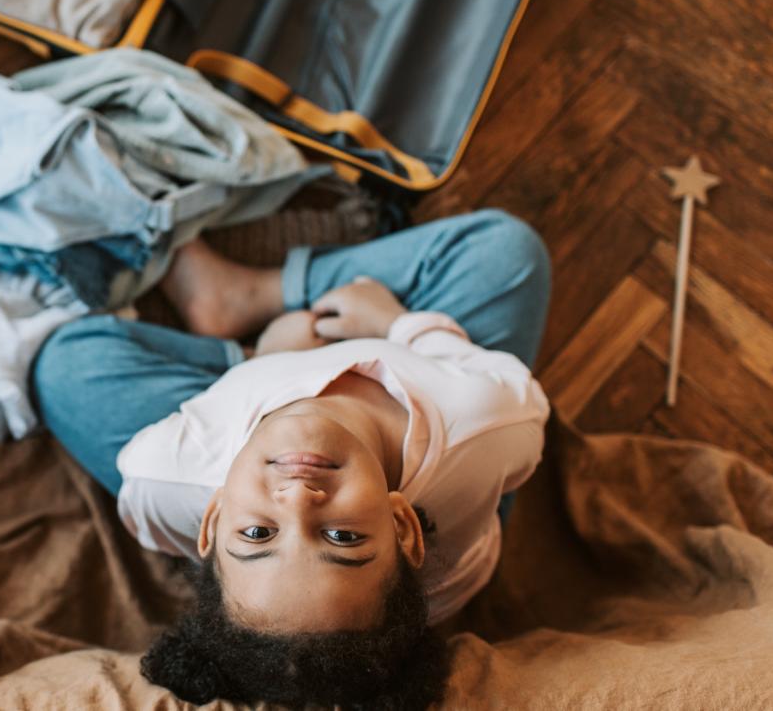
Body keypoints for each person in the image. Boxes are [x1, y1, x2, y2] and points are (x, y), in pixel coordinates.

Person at [32, 209, 552, 708]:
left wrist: (267, 357)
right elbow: (497, 385)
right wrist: (400, 325)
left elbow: (154, 512)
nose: (298, 497)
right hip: (434, 385)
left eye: (257, 535)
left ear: (209, 522)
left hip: (240, 397)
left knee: (65, 367)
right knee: (506, 252)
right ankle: (269, 301)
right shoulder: (488, 422)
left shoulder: (167, 477)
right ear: (403, 526)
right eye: (342, 537)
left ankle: (243, 324)